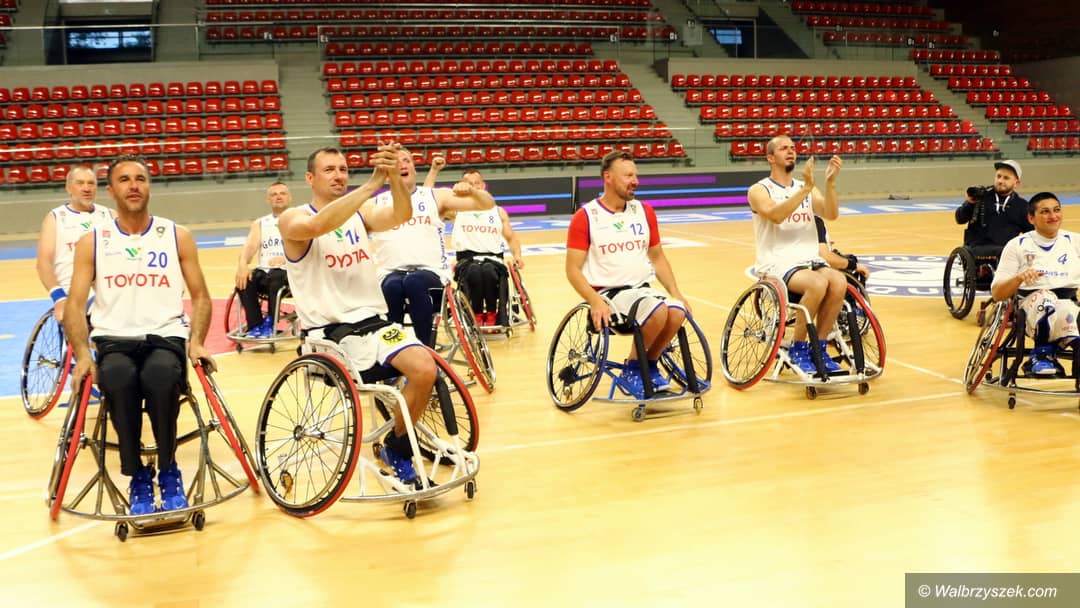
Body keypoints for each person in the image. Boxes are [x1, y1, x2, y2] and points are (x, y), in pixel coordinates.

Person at [64, 155, 214, 516]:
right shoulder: (92, 241)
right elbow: (75, 304)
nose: (133, 185)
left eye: (140, 179)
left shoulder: (177, 235)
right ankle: (138, 475)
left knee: (160, 377)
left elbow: (201, 296)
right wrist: (82, 355)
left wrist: (196, 342)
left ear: (149, 186)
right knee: (118, 378)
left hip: (165, 337)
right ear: (111, 190)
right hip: (114, 340)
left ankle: (169, 467)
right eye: (124, 179)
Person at [277, 145, 435, 484]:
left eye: (343, 169)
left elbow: (400, 215)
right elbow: (317, 225)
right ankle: (400, 446)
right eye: (330, 170)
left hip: (373, 324)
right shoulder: (291, 217)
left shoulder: (361, 212)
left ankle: (397, 447)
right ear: (310, 178)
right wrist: (371, 185)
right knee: (393, 381)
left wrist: (392, 177)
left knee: (425, 369)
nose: (339, 176)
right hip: (328, 333)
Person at [565, 150, 690, 396]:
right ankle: (633, 369)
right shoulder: (585, 217)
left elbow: (657, 257)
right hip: (609, 295)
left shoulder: (645, 211)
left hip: (642, 292)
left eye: (636, 175)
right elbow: (572, 270)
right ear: (608, 177)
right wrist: (594, 300)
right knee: (658, 310)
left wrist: (676, 292)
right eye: (628, 176)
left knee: (677, 310)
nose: (635, 181)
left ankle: (649, 365)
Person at [369, 148, 496, 347]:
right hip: (391, 274)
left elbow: (487, 204)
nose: (402, 165)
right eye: (396, 162)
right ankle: (395, 353)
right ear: (386, 173)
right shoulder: (376, 203)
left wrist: (473, 191)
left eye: (406, 160)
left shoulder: (436, 197)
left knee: (414, 282)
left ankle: (426, 350)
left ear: (414, 168)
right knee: (392, 287)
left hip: (431, 274)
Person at [748, 135, 846, 374]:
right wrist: (806, 189)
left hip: (808, 259)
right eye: (784, 148)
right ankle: (798, 347)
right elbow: (775, 215)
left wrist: (830, 184)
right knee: (817, 283)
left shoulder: (805, 188)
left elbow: (831, 213)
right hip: (776, 262)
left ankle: (819, 347)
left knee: (839, 281)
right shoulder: (759, 190)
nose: (791, 151)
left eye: (792, 147)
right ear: (771, 158)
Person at [990, 192, 1080, 375]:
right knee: (1045, 298)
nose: (1053, 216)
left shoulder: (1074, 241)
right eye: (1045, 212)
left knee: (1066, 308)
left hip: (1068, 303)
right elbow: (998, 293)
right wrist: (1019, 278)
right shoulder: (1017, 245)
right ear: (1031, 218)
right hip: (1031, 304)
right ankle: (1041, 355)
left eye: (1057, 210)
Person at [35, 166, 114, 321]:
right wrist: (59, 298)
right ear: (68, 188)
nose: (86, 188)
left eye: (91, 183)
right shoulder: (56, 217)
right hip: (74, 292)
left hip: (109, 288)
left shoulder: (110, 215)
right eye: (80, 183)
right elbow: (43, 263)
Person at [448, 168, 524, 327]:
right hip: (467, 260)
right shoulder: (455, 210)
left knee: (488, 270)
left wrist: (517, 255)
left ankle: (491, 313)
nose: (473, 186)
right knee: (474, 271)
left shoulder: (498, 211)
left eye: (477, 183)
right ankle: (475, 313)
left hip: (493, 259)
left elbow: (511, 237)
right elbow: (433, 201)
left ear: (483, 186)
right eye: (469, 184)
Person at [234, 180, 292, 338]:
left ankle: (271, 322)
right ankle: (256, 325)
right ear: (268, 200)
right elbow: (250, 246)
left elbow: (307, 247)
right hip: (265, 271)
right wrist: (242, 265)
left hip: (289, 272)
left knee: (275, 277)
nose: (278, 197)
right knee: (245, 280)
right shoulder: (261, 223)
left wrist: (286, 257)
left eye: (282, 193)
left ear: (289, 197)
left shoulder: (298, 219)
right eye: (274, 194)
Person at [954, 159, 1031, 271]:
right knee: (1005, 252)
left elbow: (1031, 233)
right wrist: (969, 203)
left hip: (1007, 251)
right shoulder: (980, 197)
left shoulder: (1022, 206)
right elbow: (960, 219)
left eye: (1006, 178)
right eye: (998, 176)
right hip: (977, 248)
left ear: (1016, 183)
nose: (1000, 181)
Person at [814, 215, 869, 282]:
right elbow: (825, 257)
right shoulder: (815, 221)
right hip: (813, 271)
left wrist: (825, 243)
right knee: (839, 280)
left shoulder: (812, 220)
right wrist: (854, 266)